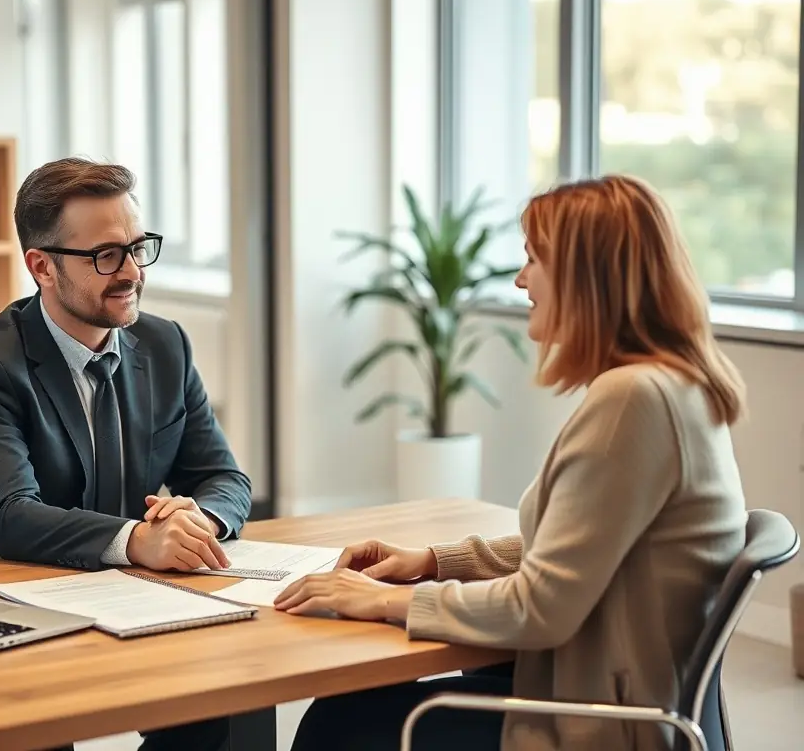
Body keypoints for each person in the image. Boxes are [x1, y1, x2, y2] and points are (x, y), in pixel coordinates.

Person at [276, 174, 748, 751]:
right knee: (358, 705)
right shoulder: (675, 385)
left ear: (585, 275)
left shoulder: (634, 399)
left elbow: (540, 607)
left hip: (600, 727)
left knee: (338, 727)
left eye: (533, 260)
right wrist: (432, 561)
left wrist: (381, 599)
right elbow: (573, 548)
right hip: (614, 696)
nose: (521, 279)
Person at [0, 157, 252, 751]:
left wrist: (199, 521)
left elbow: (223, 476)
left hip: (127, 597)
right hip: (11, 613)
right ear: (43, 267)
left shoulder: (165, 344)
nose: (132, 272)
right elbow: (9, 514)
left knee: (222, 698)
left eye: (137, 248)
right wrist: (138, 539)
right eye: (106, 255)